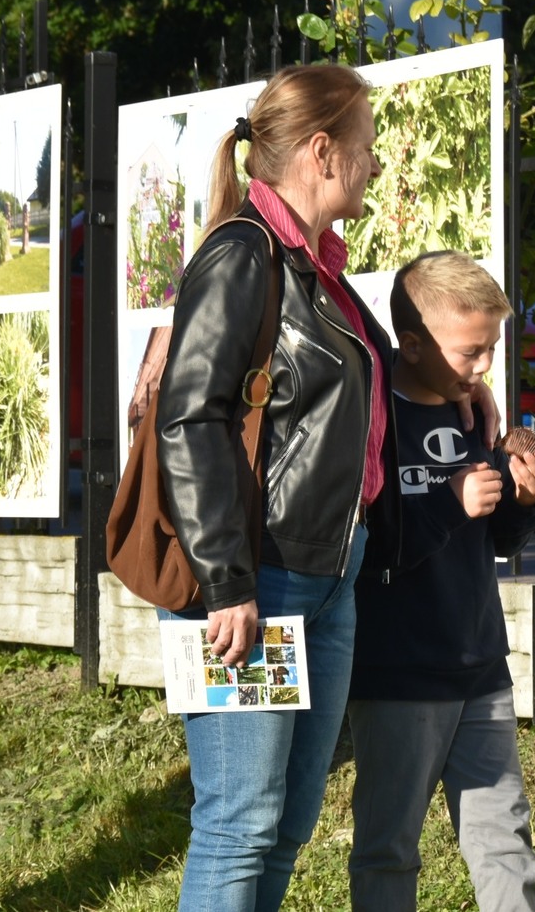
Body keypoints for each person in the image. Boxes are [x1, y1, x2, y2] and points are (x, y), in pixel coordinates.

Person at [155, 63, 396, 910]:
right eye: (366, 145)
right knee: (239, 822)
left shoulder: (316, 268)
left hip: (324, 584)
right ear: (322, 152)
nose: (374, 163)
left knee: (287, 824)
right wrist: (227, 582)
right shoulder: (242, 253)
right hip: (254, 583)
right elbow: (190, 417)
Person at [347, 251, 535, 912]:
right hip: (397, 676)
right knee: (388, 846)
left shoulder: (473, 415)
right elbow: (372, 549)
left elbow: (496, 541)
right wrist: (448, 502)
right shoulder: (374, 422)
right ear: (412, 345)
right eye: (471, 352)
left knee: (505, 839)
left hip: (481, 668)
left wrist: (524, 498)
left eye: (491, 348)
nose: (484, 367)